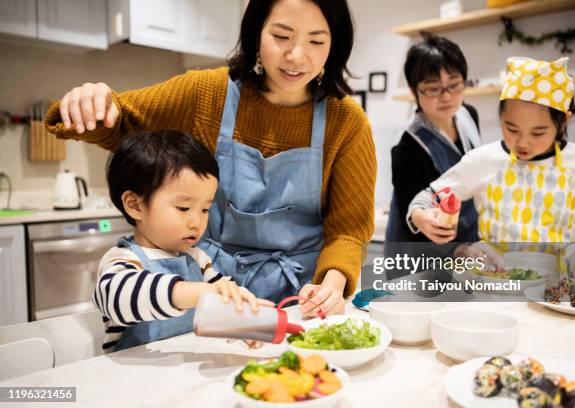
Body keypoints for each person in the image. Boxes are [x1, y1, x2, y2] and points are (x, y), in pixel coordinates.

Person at [45, 0, 375, 315]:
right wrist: (89, 104)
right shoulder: (208, 93)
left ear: (335, 45)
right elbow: (121, 120)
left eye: (316, 41)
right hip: (213, 290)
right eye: (281, 36)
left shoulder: (346, 122)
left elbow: (348, 230)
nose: (296, 55)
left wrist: (331, 286)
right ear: (256, 32)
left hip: (302, 299)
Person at [408, 56, 575, 262]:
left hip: (557, 287)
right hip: (494, 283)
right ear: (501, 118)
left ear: (563, 122)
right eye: (511, 128)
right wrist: (420, 216)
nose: (523, 142)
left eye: (538, 133)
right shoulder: (484, 160)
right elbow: (427, 198)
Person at [96, 130, 271, 352]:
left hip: (185, 375)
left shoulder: (198, 258)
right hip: (131, 378)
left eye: (205, 209)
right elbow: (118, 297)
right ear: (135, 205)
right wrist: (201, 293)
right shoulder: (124, 259)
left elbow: (220, 304)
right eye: (183, 208)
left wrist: (242, 323)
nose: (197, 222)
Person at [385, 35, 481, 252]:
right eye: (433, 88)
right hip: (419, 254)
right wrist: (422, 218)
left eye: (454, 85)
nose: (446, 96)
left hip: (466, 241)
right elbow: (411, 212)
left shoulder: (468, 115)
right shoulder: (407, 145)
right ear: (414, 91)